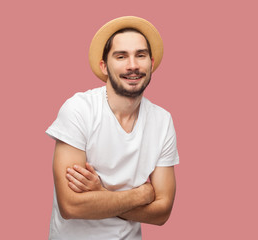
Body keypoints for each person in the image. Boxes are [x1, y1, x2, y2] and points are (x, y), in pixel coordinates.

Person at [46, 16, 179, 240]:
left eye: (141, 55)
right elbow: (71, 206)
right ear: (104, 66)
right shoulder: (79, 110)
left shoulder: (162, 121)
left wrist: (101, 194)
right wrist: (142, 194)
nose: (133, 65)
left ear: (151, 63)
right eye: (121, 56)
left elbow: (162, 212)